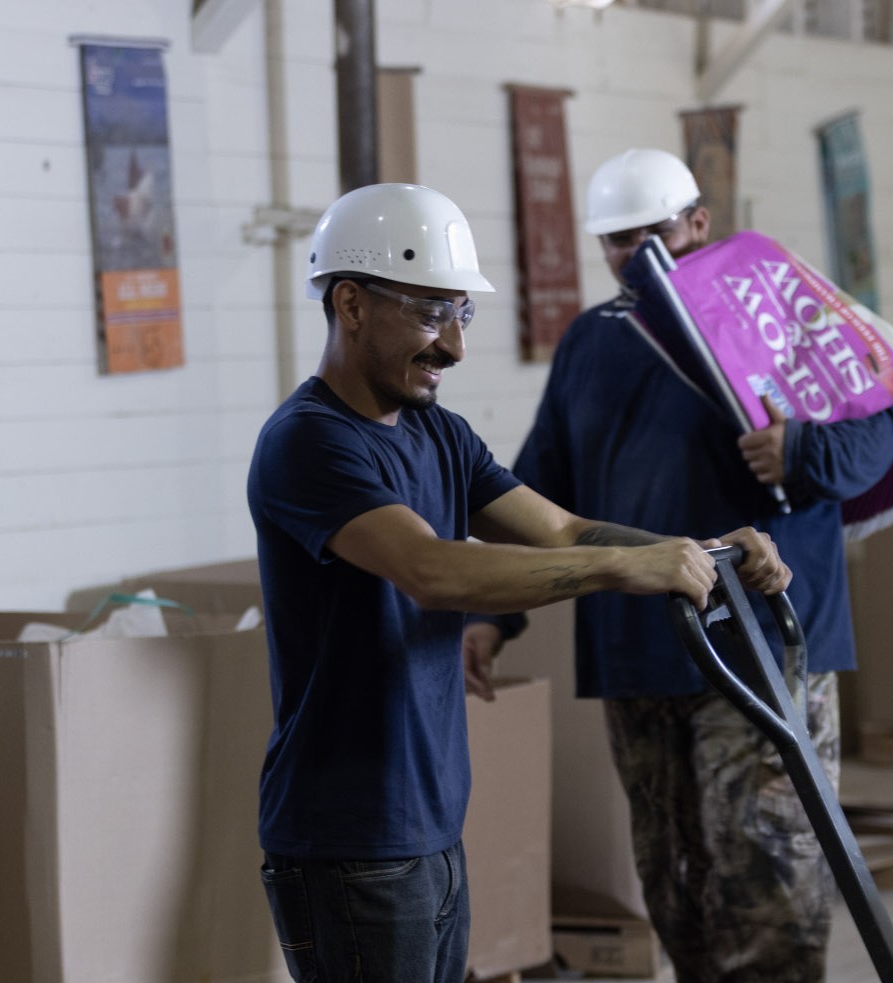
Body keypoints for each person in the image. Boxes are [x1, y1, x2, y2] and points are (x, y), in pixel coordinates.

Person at [246, 181, 792, 983]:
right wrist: (623, 566)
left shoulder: (439, 434)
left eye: (462, 314)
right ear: (351, 303)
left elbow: (562, 530)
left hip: (428, 824)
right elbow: (431, 569)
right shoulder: (309, 442)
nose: (453, 346)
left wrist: (699, 552)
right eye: (430, 313)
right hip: (348, 834)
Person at [465, 149, 893, 983]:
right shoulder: (593, 342)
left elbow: (876, 438)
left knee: (766, 881)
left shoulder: (779, 317)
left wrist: (800, 449)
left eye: (652, 233)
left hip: (761, 648)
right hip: (637, 651)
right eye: (615, 241)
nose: (633, 254)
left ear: (699, 223)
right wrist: (488, 614)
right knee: (676, 880)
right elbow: (536, 491)